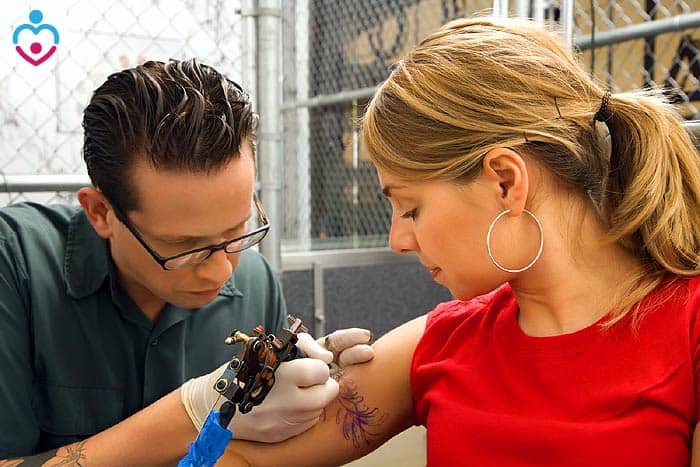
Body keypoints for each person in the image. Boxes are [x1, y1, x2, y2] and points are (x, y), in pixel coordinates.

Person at [219, 15, 700, 467]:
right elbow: (237, 459)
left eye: (410, 208)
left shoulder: (689, 328)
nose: (397, 241)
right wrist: (231, 401)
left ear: (505, 183)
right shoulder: (440, 341)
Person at [0, 59, 373, 465]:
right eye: (184, 247)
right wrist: (190, 415)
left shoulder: (255, 283)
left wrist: (307, 400)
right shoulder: (16, 267)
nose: (221, 271)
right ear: (101, 213)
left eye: (237, 231)